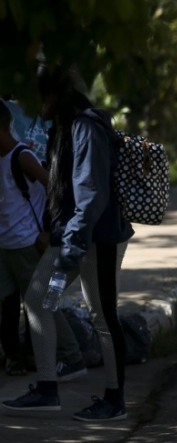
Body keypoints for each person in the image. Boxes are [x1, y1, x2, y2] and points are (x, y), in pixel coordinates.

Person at [3, 70, 134, 421]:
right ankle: (47, 389)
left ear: (51, 98)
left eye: (34, 100)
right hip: (71, 236)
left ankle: (114, 399)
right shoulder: (63, 129)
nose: (28, 107)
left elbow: (90, 196)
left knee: (102, 316)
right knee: (37, 299)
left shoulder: (86, 127)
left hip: (97, 238)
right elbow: (63, 186)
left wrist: (69, 248)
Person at [0, 98, 84, 380]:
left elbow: (55, 190)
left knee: (39, 303)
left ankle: (68, 358)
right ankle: (20, 358)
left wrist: (50, 231)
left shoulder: (22, 157)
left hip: (26, 245)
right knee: (10, 305)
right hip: (6, 246)